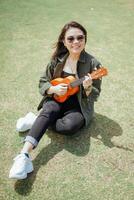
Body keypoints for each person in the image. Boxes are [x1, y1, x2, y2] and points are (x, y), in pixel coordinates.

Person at [9, 21, 102, 179]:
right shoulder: (57, 60)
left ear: (85, 39)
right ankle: (23, 156)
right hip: (56, 100)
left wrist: (87, 87)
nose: (76, 42)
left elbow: (96, 94)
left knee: (69, 127)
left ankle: (38, 120)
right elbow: (42, 82)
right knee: (50, 109)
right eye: (71, 38)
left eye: (80, 37)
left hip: (78, 107)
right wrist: (52, 89)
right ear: (64, 42)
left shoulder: (94, 64)